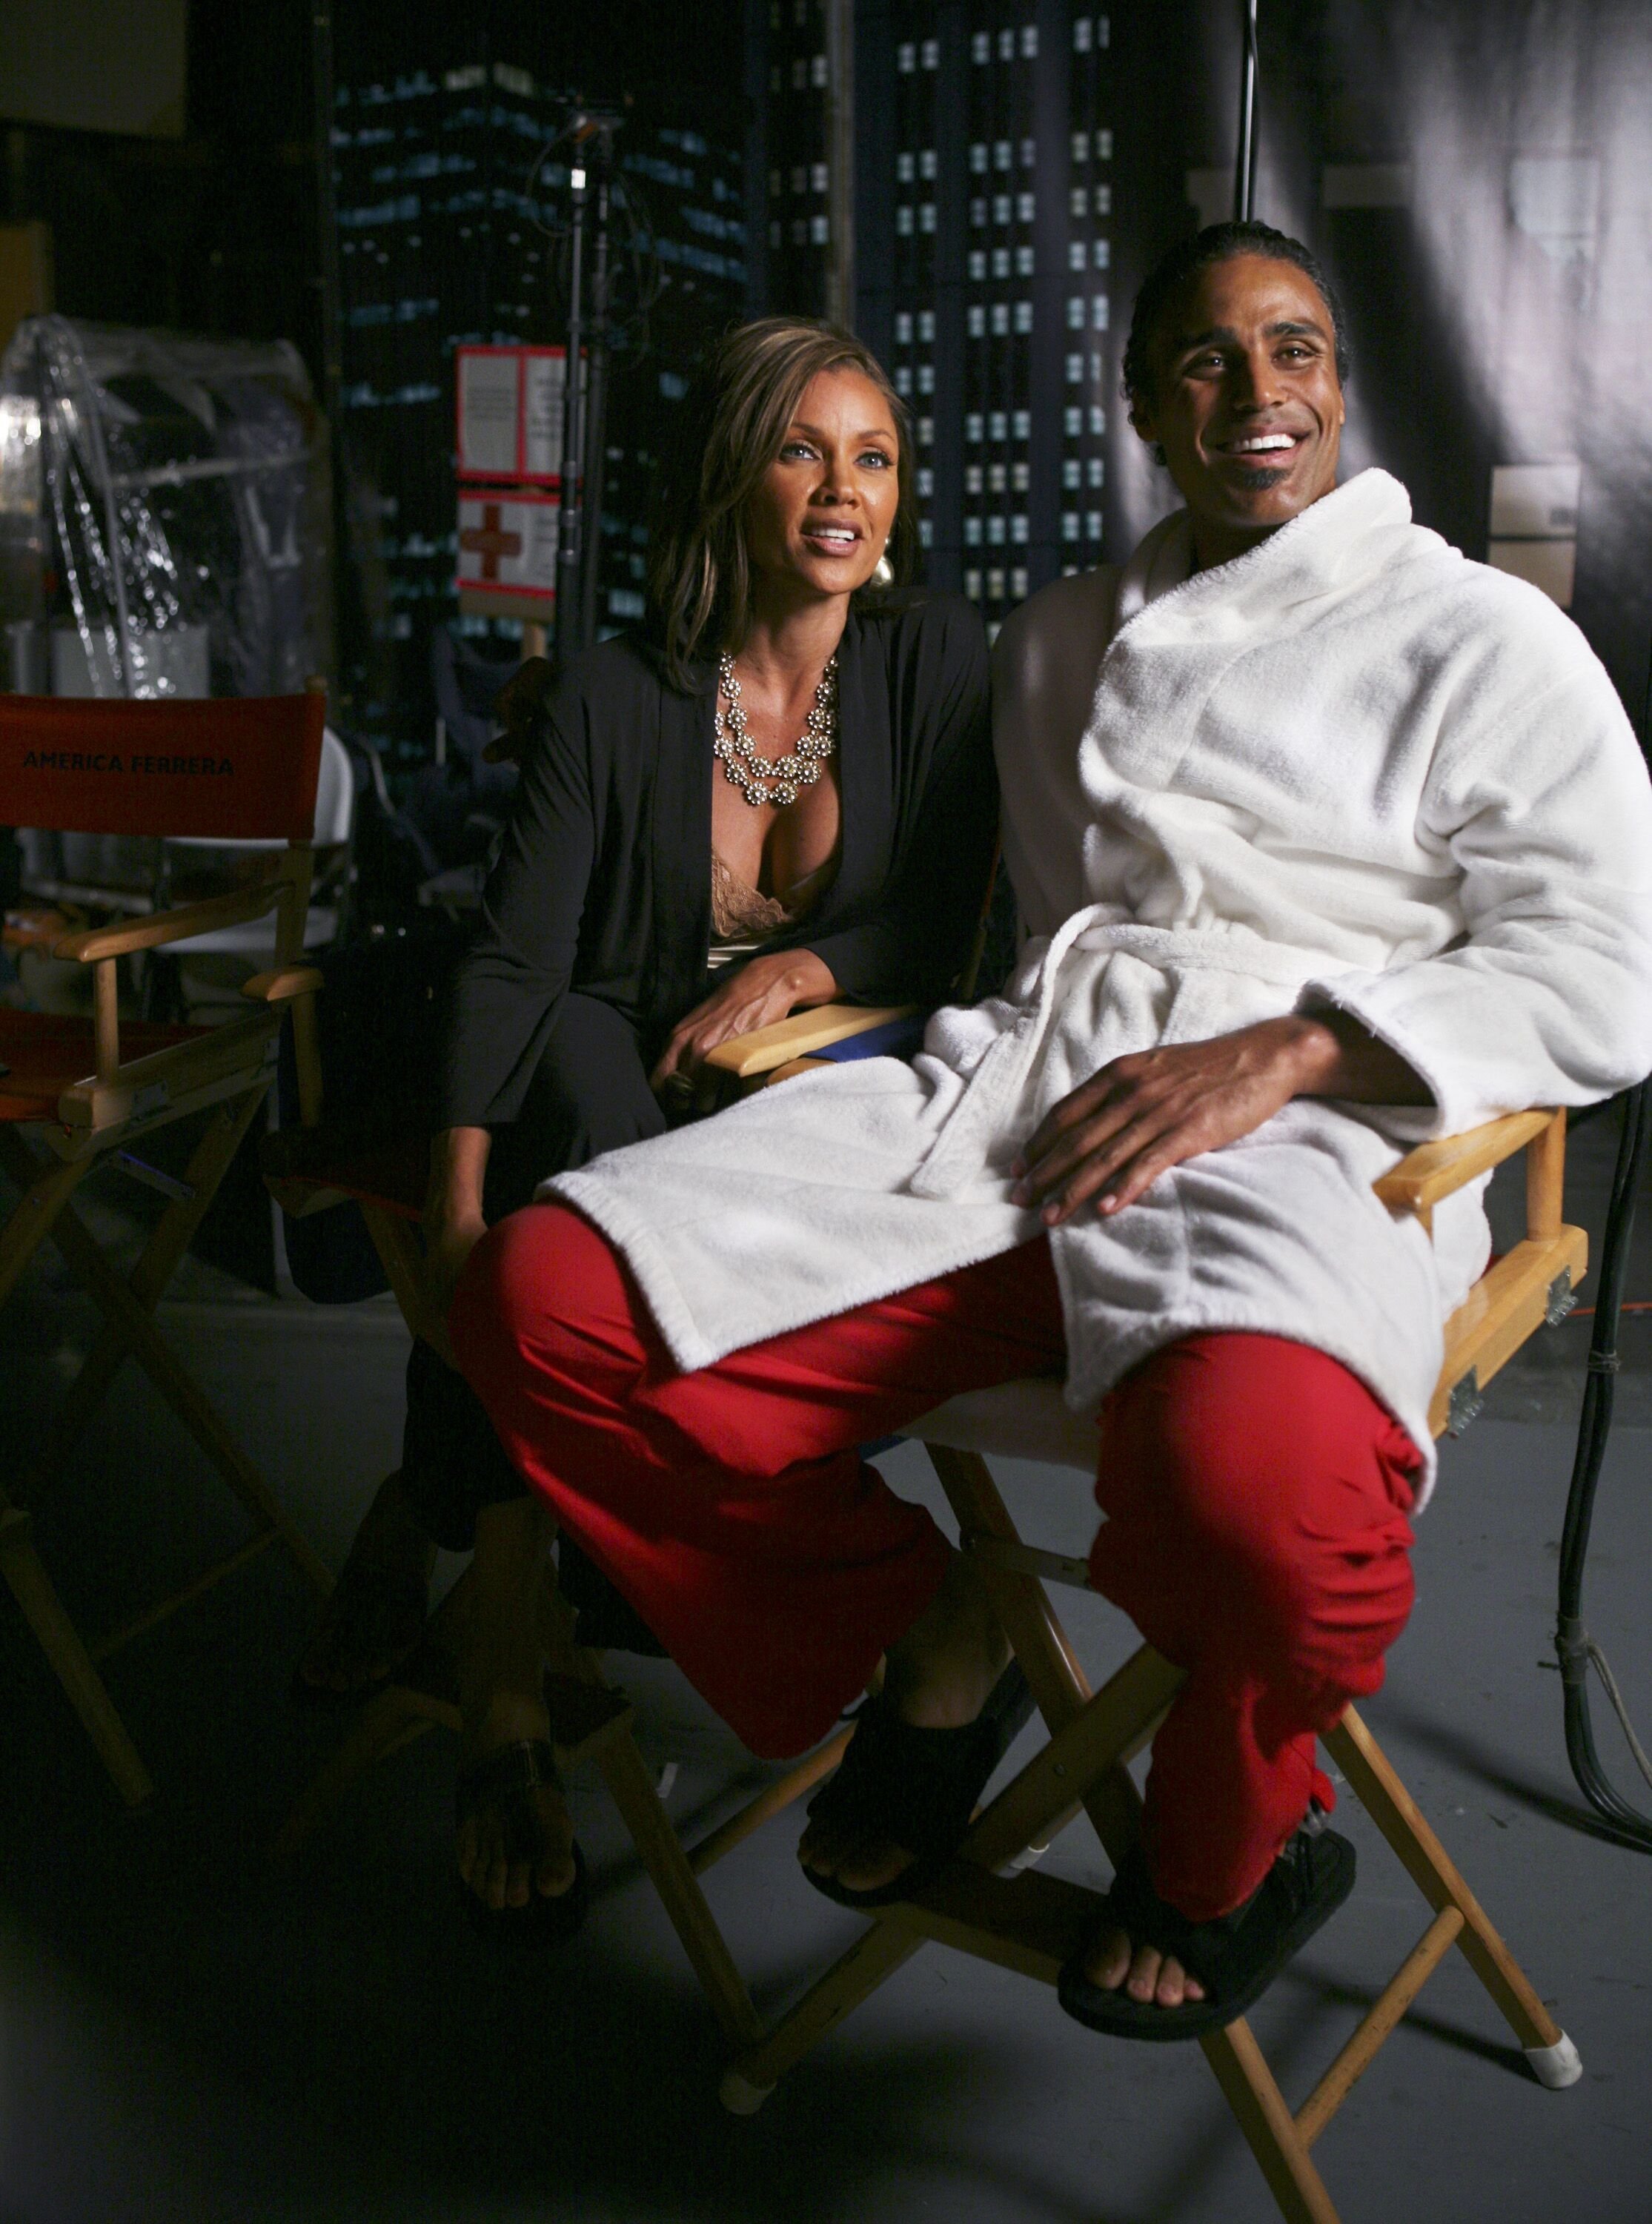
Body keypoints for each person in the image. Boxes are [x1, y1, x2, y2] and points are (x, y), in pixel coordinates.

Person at [446, 224, 1652, 2028]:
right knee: (539, 1302)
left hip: (1322, 1127)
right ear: (1141, 408)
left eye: (1293, 350)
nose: (1257, 396)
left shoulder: (1481, 639)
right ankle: (924, 1631)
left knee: (1253, 1506)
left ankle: (1232, 1835)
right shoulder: (1057, 642)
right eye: (1203, 362)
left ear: (1338, 379)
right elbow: (995, 916)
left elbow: (1603, 969)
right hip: (1028, 1087)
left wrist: (1290, 1055)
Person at [294, 317, 996, 1933]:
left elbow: (942, 926)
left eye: (874, 457)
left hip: (810, 1077)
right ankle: (510, 1695)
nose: (843, 489)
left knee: (637, 1197)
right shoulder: (617, 693)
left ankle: (429, 1521)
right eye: (801, 449)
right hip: (598, 1041)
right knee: (581, 1172)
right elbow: (519, 963)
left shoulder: (931, 657)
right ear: (730, 476)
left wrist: (805, 961)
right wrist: (463, 1234)